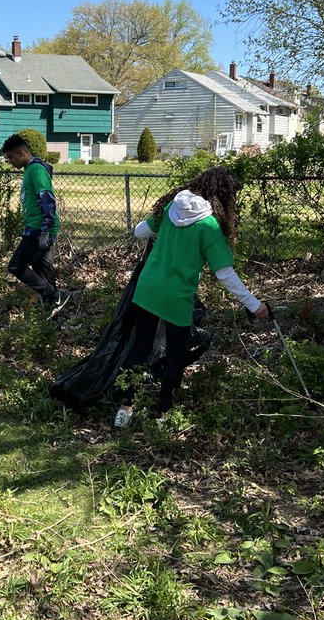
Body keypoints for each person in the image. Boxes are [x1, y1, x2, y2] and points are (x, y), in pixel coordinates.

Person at [114, 167, 270, 428]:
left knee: (139, 348)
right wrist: (254, 306)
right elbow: (225, 274)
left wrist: (158, 234)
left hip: (147, 289)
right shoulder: (208, 226)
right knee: (175, 355)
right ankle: (163, 417)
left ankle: (124, 411)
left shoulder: (169, 209)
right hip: (177, 298)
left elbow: (140, 232)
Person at [1, 133, 69, 317]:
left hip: (39, 229)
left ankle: (56, 296)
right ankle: (52, 314)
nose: (10, 162)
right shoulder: (30, 170)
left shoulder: (36, 170)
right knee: (44, 273)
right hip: (37, 228)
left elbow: (47, 198)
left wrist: (46, 230)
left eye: (10, 157)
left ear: (21, 153)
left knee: (16, 266)